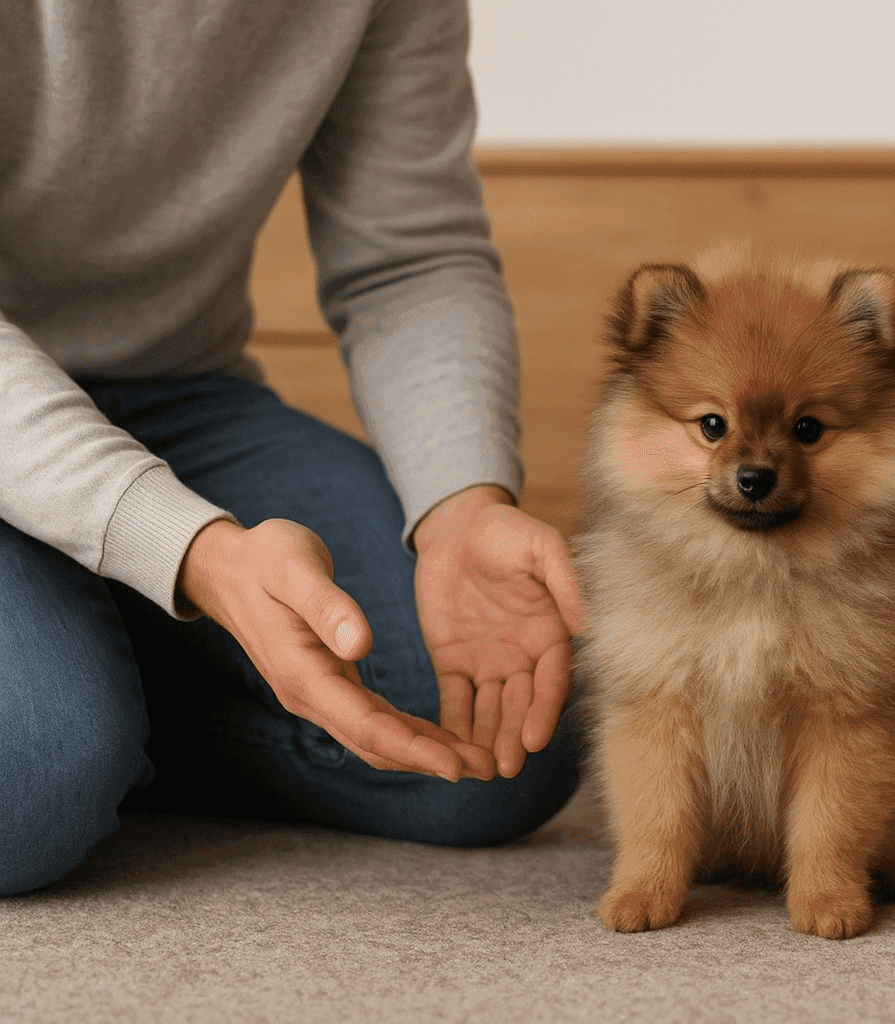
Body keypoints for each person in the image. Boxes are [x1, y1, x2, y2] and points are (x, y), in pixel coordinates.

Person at [0, 1, 583, 896]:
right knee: (29, 790)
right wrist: (189, 549)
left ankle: (119, 682)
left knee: (513, 739)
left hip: (180, 393)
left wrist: (463, 500)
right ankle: (102, 705)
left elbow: (410, 258)